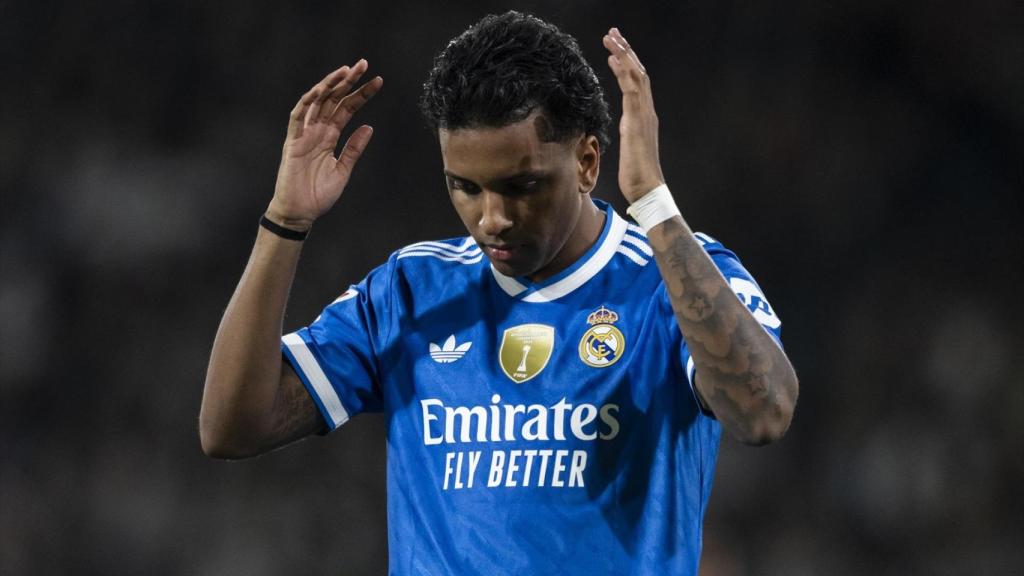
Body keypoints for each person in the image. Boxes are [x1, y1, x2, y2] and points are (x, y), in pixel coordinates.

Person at [199, 11, 798, 575]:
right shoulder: (412, 289)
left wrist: (653, 202)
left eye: (522, 186)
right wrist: (285, 221)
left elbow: (763, 412)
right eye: (465, 187)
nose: (492, 219)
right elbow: (232, 428)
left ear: (588, 162)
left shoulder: (671, 276)